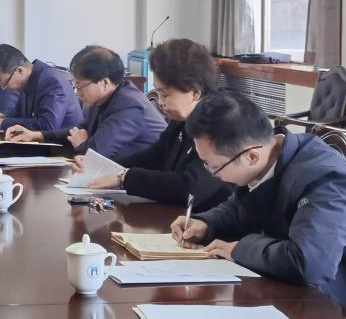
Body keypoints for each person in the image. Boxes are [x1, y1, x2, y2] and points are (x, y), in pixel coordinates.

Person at [170, 90, 346, 307]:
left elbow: (308, 263)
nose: (212, 174)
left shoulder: (326, 179)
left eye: (214, 167)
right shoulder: (270, 158)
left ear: (251, 156)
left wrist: (240, 249)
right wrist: (206, 224)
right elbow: (239, 208)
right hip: (284, 290)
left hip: (331, 305)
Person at [74, 39, 232, 210]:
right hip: (176, 214)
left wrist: (125, 178)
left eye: (165, 95)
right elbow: (152, 158)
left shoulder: (221, 123)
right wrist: (101, 167)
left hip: (208, 221)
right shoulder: (181, 120)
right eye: (158, 92)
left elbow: (190, 188)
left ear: (195, 92)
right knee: (94, 211)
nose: (160, 102)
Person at [11, 46, 165, 159]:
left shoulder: (129, 105)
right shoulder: (103, 99)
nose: (77, 92)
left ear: (104, 83)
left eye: (79, 86)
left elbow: (98, 154)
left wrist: (81, 144)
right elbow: (79, 130)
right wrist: (37, 136)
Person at [0, 44, 83, 136]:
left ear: (20, 71)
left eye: (4, 82)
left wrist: (2, 123)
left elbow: (47, 126)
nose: (3, 88)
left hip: (64, 146)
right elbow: (21, 115)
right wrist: (4, 117)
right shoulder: (28, 81)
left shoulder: (51, 80)